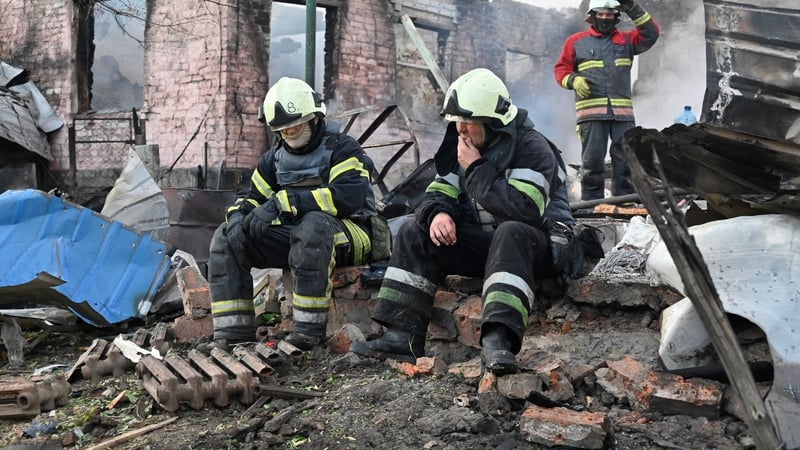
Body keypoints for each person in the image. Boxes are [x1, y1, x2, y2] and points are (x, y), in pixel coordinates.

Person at [350, 68, 575, 374]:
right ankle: (400, 337)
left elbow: (525, 210)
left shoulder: (532, 147)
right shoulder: (464, 146)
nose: (461, 131)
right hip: (490, 248)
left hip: (530, 249)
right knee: (413, 231)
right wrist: (439, 213)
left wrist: (478, 168)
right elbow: (435, 193)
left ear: (493, 122)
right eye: (457, 122)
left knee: (510, 231)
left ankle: (498, 341)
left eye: (468, 123)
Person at [207, 77, 383, 350]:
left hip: (354, 234)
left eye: (294, 127)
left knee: (312, 226)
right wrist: (238, 219)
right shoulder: (273, 160)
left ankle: (308, 333)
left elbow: (348, 197)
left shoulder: (343, 148)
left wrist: (285, 202)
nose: (288, 134)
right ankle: (232, 335)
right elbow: (251, 197)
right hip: (301, 239)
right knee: (225, 237)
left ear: (314, 118)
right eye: (282, 130)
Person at [554, 0, 659, 201]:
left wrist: (633, 7)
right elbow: (561, 70)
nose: (604, 18)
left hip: (623, 117)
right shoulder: (576, 42)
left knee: (626, 161)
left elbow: (651, 34)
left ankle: (625, 203)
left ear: (617, 16)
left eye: (609, 14)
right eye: (600, 14)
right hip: (591, 116)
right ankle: (592, 205)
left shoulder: (626, 41)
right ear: (592, 16)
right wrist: (573, 80)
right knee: (592, 163)